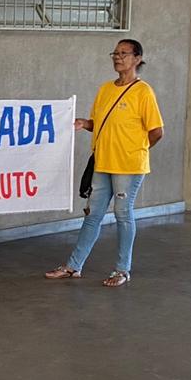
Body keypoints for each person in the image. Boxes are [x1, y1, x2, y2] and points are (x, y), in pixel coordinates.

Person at [45, 39, 163, 287]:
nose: (117, 57)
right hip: (103, 163)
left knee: (123, 214)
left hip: (128, 166)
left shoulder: (143, 92)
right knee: (92, 214)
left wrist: (135, 150)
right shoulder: (106, 89)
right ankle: (73, 266)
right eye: (115, 53)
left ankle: (122, 269)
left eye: (124, 53)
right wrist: (84, 124)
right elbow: (97, 123)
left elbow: (156, 131)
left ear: (137, 59)